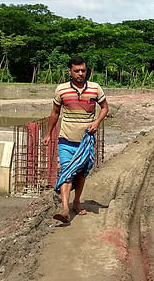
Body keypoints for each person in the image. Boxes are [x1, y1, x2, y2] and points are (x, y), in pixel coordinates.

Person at [42, 57, 108, 223]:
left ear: (86, 71)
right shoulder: (62, 90)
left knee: (81, 174)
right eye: (76, 71)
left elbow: (105, 107)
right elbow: (55, 113)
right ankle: (65, 209)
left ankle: (76, 201)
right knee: (67, 172)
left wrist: (97, 122)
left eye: (83, 71)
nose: (80, 74)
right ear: (70, 71)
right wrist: (49, 133)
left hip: (85, 142)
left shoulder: (95, 89)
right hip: (66, 140)